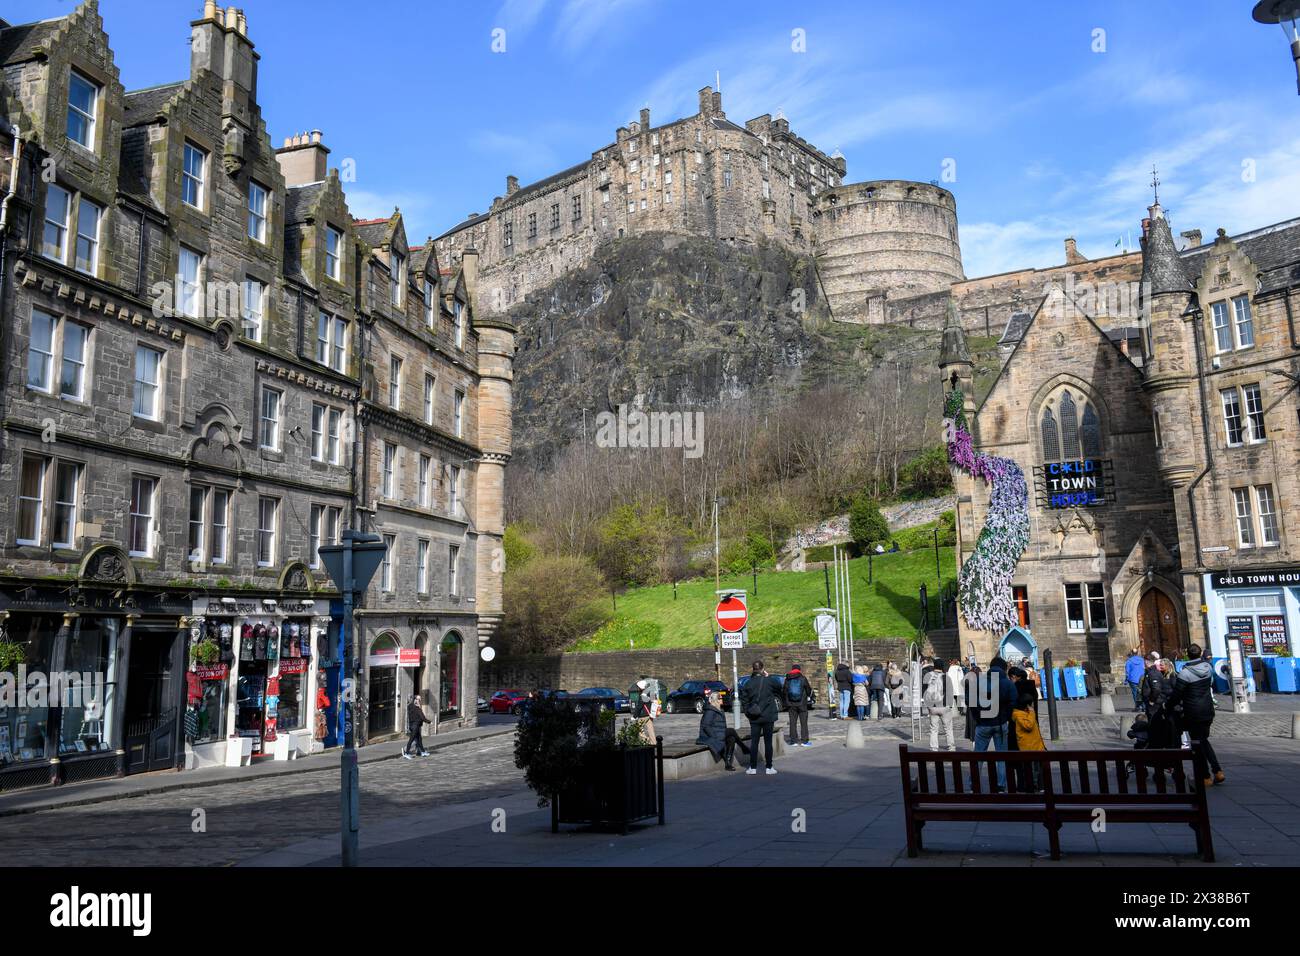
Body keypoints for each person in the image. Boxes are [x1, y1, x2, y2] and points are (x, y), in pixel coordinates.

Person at [1169, 643, 1225, 787]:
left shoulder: (1185, 673)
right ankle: (1217, 771)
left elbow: (1177, 694)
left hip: (1193, 712)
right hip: (1207, 710)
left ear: (1188, 654)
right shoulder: (1208, 668)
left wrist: (1167, 705)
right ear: (1200, 654)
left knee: (1197, 744)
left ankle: (1205, 776)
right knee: (1204, 740)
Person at [970, 656, 1015, 791]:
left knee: (978, 755)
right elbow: (1013, 702)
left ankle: (973, 784)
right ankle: (1001, 785)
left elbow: (971, 703)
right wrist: (1005, 717)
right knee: (1001, 755)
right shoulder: (1007, 683)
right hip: (1000, 723)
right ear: (1003, 669)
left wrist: (978, 718)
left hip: (983, 724)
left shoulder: (979, 682)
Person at [739, 660, 781, 774]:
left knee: (754, 742)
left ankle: (752, 768)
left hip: (754, 717)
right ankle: (769, 767)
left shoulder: (748, 683)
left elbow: (744, 700)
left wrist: (748, 713)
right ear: (762, 669)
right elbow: (779, 686)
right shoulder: (769, 681)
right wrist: (768, 675)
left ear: (753, 669)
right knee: (768, 742)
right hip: (768, 716)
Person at [696, 690, 748, 771]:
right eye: (720, 698)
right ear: (716, 700)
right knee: (731, 730)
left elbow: (722, 726)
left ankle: (728, 764)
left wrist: (722, 734)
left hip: (719, 733)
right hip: (709, 736)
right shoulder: (710, 711)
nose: (722, 699)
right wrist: (715, 736)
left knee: (732, 739)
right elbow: (706, 726)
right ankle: (743, 747)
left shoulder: (719, 710)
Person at [1010, 681, 1046, 791]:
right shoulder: (1019, 714)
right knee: (1031, 770)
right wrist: (1032, 713)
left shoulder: (1023, 713)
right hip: (1029, 748)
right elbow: (1029, 726)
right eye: (1031, 704)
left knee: (1035, 769)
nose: (1033, 706)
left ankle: (1034, 785)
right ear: (1027, 705)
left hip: (1034, 746)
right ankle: (1032, 787)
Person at [923, 657, 957, 752]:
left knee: (933, 729)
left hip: (933, 707)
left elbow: (925, 691)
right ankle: (951, 747)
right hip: (944, 706)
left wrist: (928, 706)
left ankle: (933, 748)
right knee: (948, 729)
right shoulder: (946, 677)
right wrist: (950, 706)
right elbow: (950, 692)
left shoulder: (928, 676)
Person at [783, 663, 814, 747]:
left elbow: (784, 691)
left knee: (792, 723)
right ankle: (804, 741)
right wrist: (808, 697)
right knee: (803, 723)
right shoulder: (802, 678)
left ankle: (793, 741)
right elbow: (808, 690)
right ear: (799, 670)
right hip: (802, 704)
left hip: (791, 704)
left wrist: (787, 702)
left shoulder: (787, 679)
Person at [403, 694, 430, 758]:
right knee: (411, 740)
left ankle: (422, 752)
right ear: (415, 700)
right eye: (418, 699)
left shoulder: (410, 706)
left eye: (420, 699)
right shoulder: (417, 708)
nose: (420, 700)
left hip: (414, 726)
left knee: (419, 739)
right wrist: (429, 722)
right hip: (415, 727)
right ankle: (406, 753)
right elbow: (422, 717)